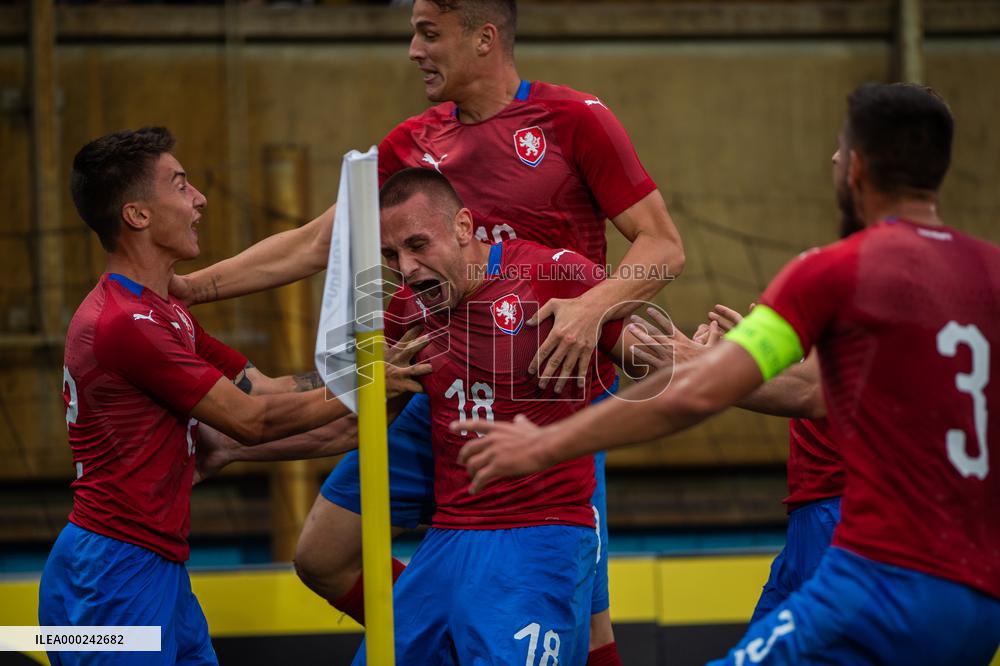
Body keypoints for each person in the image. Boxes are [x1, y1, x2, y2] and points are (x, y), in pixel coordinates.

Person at [171, 1, 684, 661]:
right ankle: (459, 623)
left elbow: (663, 248)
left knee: (586, 623)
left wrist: (594, 307)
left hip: (549, 401)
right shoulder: (409, 144)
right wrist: (189, 288)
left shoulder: (573, 120)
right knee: (322, 554)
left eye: (428, 33)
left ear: (483, 39)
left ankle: (483, 618)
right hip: (436, 392)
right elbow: (315, 243)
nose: (413, 49)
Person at [458, 83, 1000, 664]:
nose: (834, 159)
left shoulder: (833, 272)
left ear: (859, 167)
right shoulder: (989, 273)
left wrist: (546, 443)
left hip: (880, 576)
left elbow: (703, 395)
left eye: (842, 148)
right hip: (979, 592)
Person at [41, 128, 427, 666]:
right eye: (180, 186)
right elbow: (252, 420)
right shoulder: (126, 323)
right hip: (111, 577)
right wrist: (369, 381)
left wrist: (394, 377)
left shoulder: (164, 312)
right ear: (137, 216)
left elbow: (266, 391)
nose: (198, 198)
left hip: (151, 567)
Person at [352, 167, 642, 664]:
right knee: (318, 560)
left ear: (464, 227)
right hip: (446, 537)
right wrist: (242, 438)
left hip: (540, 533)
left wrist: (733, 360)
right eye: (390, 255)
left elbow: (663, 366)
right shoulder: (405, 310)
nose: (405, 267)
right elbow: (351, 425)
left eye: (418, 245)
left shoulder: (553, 275)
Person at [634, 302, 842, 622]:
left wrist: (705, 365)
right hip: (809, 522)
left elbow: (811, 391)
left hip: (838, 518)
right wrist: (740, 363)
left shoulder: (887, 300)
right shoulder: (848, 293)